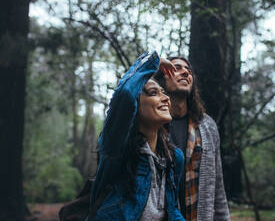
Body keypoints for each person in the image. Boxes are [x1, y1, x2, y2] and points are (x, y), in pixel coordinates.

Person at [87, 52, 186, 221]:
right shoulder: (117, 148)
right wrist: (152, 62)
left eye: (164, 92)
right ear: (135, 107)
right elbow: (125, 94)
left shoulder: (174, 158)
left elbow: (171, 209)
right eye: (154, 93)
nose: (165, 98)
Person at [157, 57, 230, 221]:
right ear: (162, 78)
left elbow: (217, 186)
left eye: (188, 71)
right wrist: (151, 63)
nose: (185, 72)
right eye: (176, 68)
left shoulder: (207, 126)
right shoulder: (152, 123)